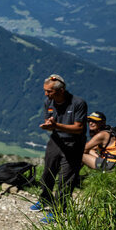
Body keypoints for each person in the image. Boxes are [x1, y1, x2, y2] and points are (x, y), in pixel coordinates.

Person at [33, 74, 87, 221]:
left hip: (74, 144)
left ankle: (58, 211)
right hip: (56, 141)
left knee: (66, 178)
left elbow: (79, 128)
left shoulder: (78, 103)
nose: (46, 94)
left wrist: (56, 126)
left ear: (61, 90)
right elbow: (49, 121)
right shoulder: (48, 102)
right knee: (48, 172)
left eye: (49, 91)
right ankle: (45, 199)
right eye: (45, 90)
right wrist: (49, 125)